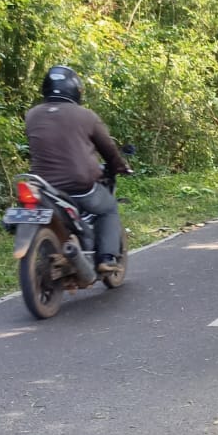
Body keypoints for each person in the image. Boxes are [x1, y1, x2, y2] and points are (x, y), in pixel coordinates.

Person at [24, 67, 131, 277]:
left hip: (43, 187)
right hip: (79, 186)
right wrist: (120, 166)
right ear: (75, 90)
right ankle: (107, 259)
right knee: (108, 208)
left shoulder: (32, 115)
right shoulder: (86, 116)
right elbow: (108, 149)